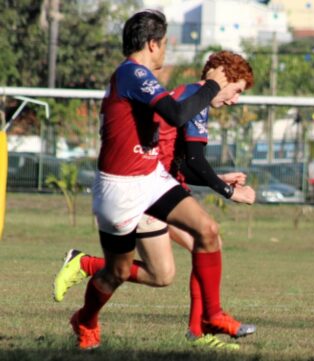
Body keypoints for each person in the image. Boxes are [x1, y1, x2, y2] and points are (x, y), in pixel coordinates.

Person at [54, 51, 256, 350]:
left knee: (172, 266)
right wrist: (228, 192)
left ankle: (198, 330)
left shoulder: (190, 95)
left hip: (158, 186)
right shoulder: (196, 97)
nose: (235, 100)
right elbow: (196, 161)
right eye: (236, 90)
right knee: (193, 247)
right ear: (220, 76)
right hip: (145, 189)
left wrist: (218, 178)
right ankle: (200, 329)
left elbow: (183, 163)